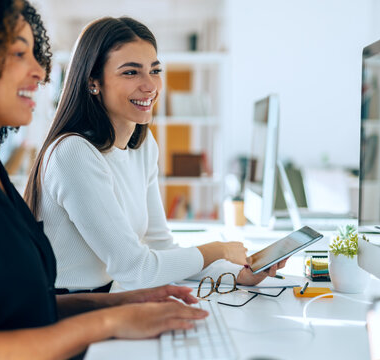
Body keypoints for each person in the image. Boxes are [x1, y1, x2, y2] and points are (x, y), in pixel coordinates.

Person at [0, 2, 208, 359]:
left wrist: (129, 302)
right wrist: (110, 322)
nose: (40, 71)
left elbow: (26, 308)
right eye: (19, 53)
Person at [24, 16, 286, 293]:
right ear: (93, 82)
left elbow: (160, 247)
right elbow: (137, 269)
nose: (150, 86)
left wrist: (236, 274)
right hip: (67, 309)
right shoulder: (73, 153)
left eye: (155, 70)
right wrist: (218, 249)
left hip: (112, 296)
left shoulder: (143, 145)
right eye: (131, 72)